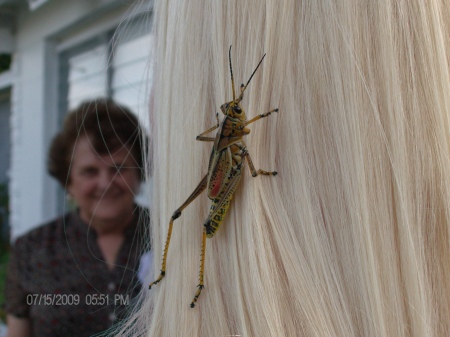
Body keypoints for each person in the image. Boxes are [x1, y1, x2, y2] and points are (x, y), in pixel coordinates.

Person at [112, 1, 450, 336]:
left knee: (239, 160)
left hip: (227, 167)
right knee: (186, 211)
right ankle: (197, 282)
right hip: (220, 178)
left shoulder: (236, 127)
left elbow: (235, 136)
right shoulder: (234, 129)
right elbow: (225, 140)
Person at [5, 99, 150, 337]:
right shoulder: (30, 251)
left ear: (139, 173)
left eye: (119, 168)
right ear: (68, 182)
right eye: (90, 171)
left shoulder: (172, 237)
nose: (105, 183)